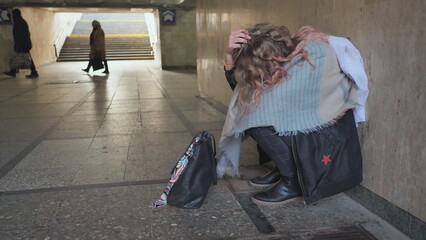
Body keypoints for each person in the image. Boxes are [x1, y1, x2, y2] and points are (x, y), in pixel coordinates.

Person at [217, 23, 364, 206]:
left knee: (256, 114)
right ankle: (286, 167)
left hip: (330, 131)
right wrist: (228, 57)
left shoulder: (312, 55)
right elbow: (242, 89)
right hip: (309, 127)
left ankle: (292, 181)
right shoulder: (282, 55)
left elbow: (266, 103)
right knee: (251, 104)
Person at [3, 8, 38, 78]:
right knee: (19, 57)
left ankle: (33, 72)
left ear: (15, 15)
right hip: (25, 43)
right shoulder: (21, 21)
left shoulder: (19, 22)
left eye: (12, 14)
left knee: (25, 58)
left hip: (22, 44)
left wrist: (18, 45)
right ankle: (14, 71)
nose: (12, 16)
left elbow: (19, 35)